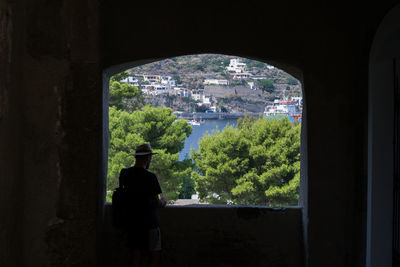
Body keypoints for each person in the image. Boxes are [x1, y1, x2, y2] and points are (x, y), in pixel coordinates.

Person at [118, 143, 167, 267]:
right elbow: (156, 202)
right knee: (155, 252)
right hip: (149, 222)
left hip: (132, 222)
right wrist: (163, 202)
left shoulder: (125, 173)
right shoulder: (151, 177)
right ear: (147, 158)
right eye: (150, 157)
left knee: (136, 254)